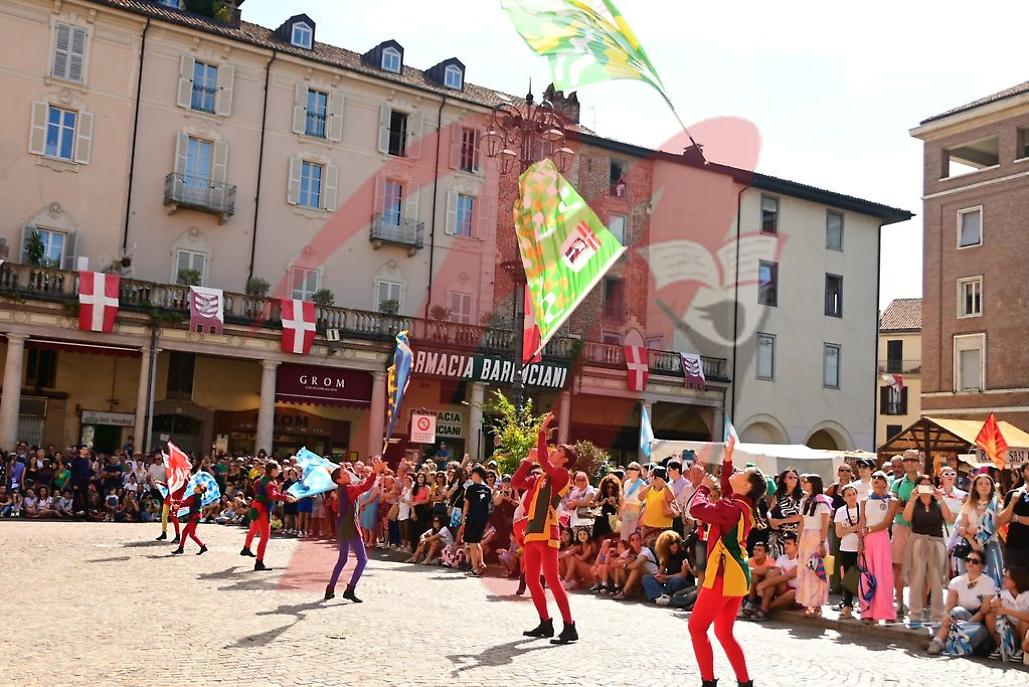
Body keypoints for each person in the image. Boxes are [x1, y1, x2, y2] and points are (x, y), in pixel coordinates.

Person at [687, 454, 766, 687]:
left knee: (696, 628)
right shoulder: (742, 505)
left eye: (742, 473)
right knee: (724, 633)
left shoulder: (730, 507)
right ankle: (744, 682)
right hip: (737, 576)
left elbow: (697, 510)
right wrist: (728, 459)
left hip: (723, 575)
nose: (737, 472)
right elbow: (728, 489)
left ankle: (708, 682)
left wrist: (703, 487)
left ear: (747, 486)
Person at [512, 413, 579, 645]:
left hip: (548, 533)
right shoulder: (541, 478)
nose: (553, 451)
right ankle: (545, 622)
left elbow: (543, 460)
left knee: (553, 580)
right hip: (533, 532)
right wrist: (526, 462)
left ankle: (569, 626)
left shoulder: (562, 474)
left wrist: (542, 432)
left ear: (565, 460)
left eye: (558, 450)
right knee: (532, 580)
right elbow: (516, 482)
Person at [325, 458, 384, 603]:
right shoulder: (347, 489)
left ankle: (330, 589)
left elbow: (336, 508)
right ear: (339, 480)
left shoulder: (341, 490)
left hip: (343, 527)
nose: (349, 474)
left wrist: (354, 506)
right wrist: (375, 471)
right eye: (345, 473)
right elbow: (365, 487)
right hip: (350, 527)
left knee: (342, 560)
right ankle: (350, 590)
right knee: (362, 560)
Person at [902, 474, 954, 627]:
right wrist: (912, 498)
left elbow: (949, 518)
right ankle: (915, 614)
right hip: (918, 541)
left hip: (936, 541)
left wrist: (940, 498)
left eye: (928, 485)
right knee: (916, 579)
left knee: (937, 580)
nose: (925, 488)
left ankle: (937, 615)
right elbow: (906, 518)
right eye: (922, 485)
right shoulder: (914, 503)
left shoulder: (938, 503)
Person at [927, 551, 997, 655]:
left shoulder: (988, 582)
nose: (970, 563)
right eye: (968, 560)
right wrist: (945, 614)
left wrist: (965, 625)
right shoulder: (956, 581)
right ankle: (937, 641)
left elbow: (984, 610)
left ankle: (946, 644)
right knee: (955, 611)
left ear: (982, 566)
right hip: (961, 616)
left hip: (979, 622)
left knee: (973, 636)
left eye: (975, 561)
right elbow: (950, 604)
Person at [241, 460, 294, 571]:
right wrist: (286, 498)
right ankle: (259, 562)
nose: (279, 471)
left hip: (256, 507)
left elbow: (257, 487)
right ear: (273, 470)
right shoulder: (269, 482)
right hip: (263, 510)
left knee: (253, 529)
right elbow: (273, 495)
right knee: (264, 537)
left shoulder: (261, 480)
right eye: (278, 469)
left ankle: (246, 548)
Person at [860, 471, 899, 624]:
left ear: (885, 482)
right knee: (867, 575)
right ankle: (867, 612)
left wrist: (869, 530)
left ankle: (886, 612)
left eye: (880, 477)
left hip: (882, 538)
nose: (876, 479)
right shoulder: (864, 500)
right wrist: (860, 541)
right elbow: (862, 521)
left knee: (883, 575)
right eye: (874, 477)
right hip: (867, 540)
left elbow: (886, 522)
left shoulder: (892, 500)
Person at [889, 450, 921, 617]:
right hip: (900, 527)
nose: (909, 462)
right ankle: (900, 601)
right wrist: (911, 506)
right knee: (898, 566)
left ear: (918, 462)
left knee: (919, 568)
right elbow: (893, 508)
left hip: (920, 529)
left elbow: (926, 508)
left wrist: (904, 505)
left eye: (912, 460)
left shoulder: (925, 482)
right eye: (906, 459)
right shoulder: (897, 483)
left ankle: (916, 604)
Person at [956, 474, 1003, 585]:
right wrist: (973, 542)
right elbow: (962, 529)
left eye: (987, 484)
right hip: (969, 545)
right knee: (968, 579)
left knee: (992, 578)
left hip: (990, 543)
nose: (984, 486)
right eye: (980, 484)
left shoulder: (997, 506)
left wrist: (974, 530)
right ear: (975, 487)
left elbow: (995, 527)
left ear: (991, 486)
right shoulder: (968, 505)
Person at [796, 474, 831, 617]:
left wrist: (822, 542)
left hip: (817, 537)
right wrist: (798, 541)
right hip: (805, 538)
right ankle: (808, 602)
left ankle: (818, 604)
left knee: (817, 569)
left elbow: (825, 524)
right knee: (805, 570)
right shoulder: (804, 501)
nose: (804, 484)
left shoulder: (823, 501)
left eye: (806, 482)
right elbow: (802, 522)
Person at [752, 533, 800, 621]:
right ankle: (762, 607)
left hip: (796, 592)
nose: (785, 546)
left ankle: (763, 608)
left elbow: (788, 576)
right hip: (782, 588)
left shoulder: (801, 559)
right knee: (771, 573)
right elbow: (774, 573)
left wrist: (762, 584)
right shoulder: (782, 558)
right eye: (784, 543)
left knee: (793, 593)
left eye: (788, 543)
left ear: (797, 545)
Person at [985, 566, 1029, 660]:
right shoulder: (1003, 594)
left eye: (1007, 577)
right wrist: (993, 604)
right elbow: (991, 606)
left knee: (1024, 622)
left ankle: (1022, 651)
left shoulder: (1027, 595)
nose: (1003, 579)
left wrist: (1006, 611)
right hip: (1011, 629)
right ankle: (1001, 646)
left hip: (1026, 631)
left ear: (1017, 580)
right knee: (990, 615)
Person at [833, 485, 864, 619]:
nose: (852, 497)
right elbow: (839, 533)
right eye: (849, 495)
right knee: (848, 578)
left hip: (862, 548)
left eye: (854, 494)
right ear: (844, 498)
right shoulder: (840, 511)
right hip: (846, 548)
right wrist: (854, 528)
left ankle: (864, 605)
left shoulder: (862, 508)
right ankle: (847, 605)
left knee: (864, 578)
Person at [645, 529, 695, 605]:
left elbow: (683, 575)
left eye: (676, 542)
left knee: (675, 580)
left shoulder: (683, 554)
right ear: (665, 545)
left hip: (683, 583)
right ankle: (662, 596)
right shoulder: (665, 556)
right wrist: (659, 577)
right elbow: (659, 573)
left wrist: (666, 577)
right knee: (646, 578)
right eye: (671, 543)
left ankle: (661, 596)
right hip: (670, 583)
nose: (675, 545)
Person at [460, 466, 492, 577]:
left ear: (477, 475)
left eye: (473, 474)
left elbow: (466, 504)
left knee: (472, 543)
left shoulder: (471, 488)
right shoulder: (488, 489)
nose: (471, 476)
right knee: (477, 541)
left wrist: (463, 516)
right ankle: (481, 563)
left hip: (473, 517)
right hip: (483, 518)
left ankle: (475, 569)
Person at [768, 469, 802, 558]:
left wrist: (781, 521)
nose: (793, 480)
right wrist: (771, 520)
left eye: (795, 478)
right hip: (779, 534)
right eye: (790, 478)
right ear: (784, 480)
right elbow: (769, 511)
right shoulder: (778, 495)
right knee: (778, 560)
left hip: (797, 535)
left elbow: (802, 516)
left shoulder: (803, 496)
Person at [1000, 464, 1029, 570]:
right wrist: (1012, 502)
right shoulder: (1012, 494)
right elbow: (1003, 520)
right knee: (1011, 579)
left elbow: (1011, 518)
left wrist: (1016, 518)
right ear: (1022, 474)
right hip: (1013, 548)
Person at [638, 466, 675, 542]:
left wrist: (664, 485)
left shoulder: (668, 487)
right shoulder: (649, 489)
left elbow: (670, 498)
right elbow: (640, 498)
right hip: (648, 525)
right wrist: (650, 485)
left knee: (663, 548)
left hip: (663, 526)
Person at [171, 482, 208, 556]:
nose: (195, 488)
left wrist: (176, 504)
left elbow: (185, 503)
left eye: (197, 488)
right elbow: (185, 502)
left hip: (194, 517)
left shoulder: (194, 497)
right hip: (195, 516)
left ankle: (203, 546)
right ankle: (181, 548)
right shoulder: (197, 496)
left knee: (192, 534)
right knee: (185, 532)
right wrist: (176, 502)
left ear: (200, 491)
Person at [590, 474, 622, 542]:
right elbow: (591, 504)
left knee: (609, 541)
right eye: (608, 487)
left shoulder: (618, 495)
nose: (610, 489)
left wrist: (614, 504)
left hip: (612, 521)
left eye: (612, 487)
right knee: (597, 541)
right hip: (600, 520)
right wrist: (600, 503)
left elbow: (621, 511)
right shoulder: (600, 493)